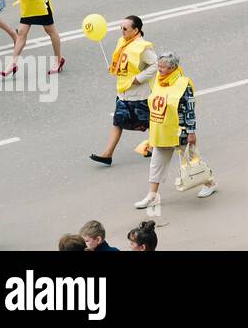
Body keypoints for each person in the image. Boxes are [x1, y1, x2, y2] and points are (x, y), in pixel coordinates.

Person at [136, 51, 217, 211]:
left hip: (180, 130)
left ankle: (209, 183)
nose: (159, 69)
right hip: (161, 130)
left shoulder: (183, 83)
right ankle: (152, 195)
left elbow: (190, 109)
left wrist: (191, 131)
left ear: (173, 67)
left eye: (163, 67)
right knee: (156, 164)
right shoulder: (158, 81)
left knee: (192, 160)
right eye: (159, 66)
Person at [89, 15, 156, 165]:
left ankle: (155, 146)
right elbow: (123, 61)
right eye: (121, 28)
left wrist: (139, 78)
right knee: (118, 122)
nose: (122, 31)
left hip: (140, 94)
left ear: (136, 30)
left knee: (152, 122)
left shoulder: (142, 47)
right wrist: (114, 67)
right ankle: (108, 154)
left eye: (125, 28)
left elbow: (156, 64)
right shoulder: (123, 42)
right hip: (123, 92)